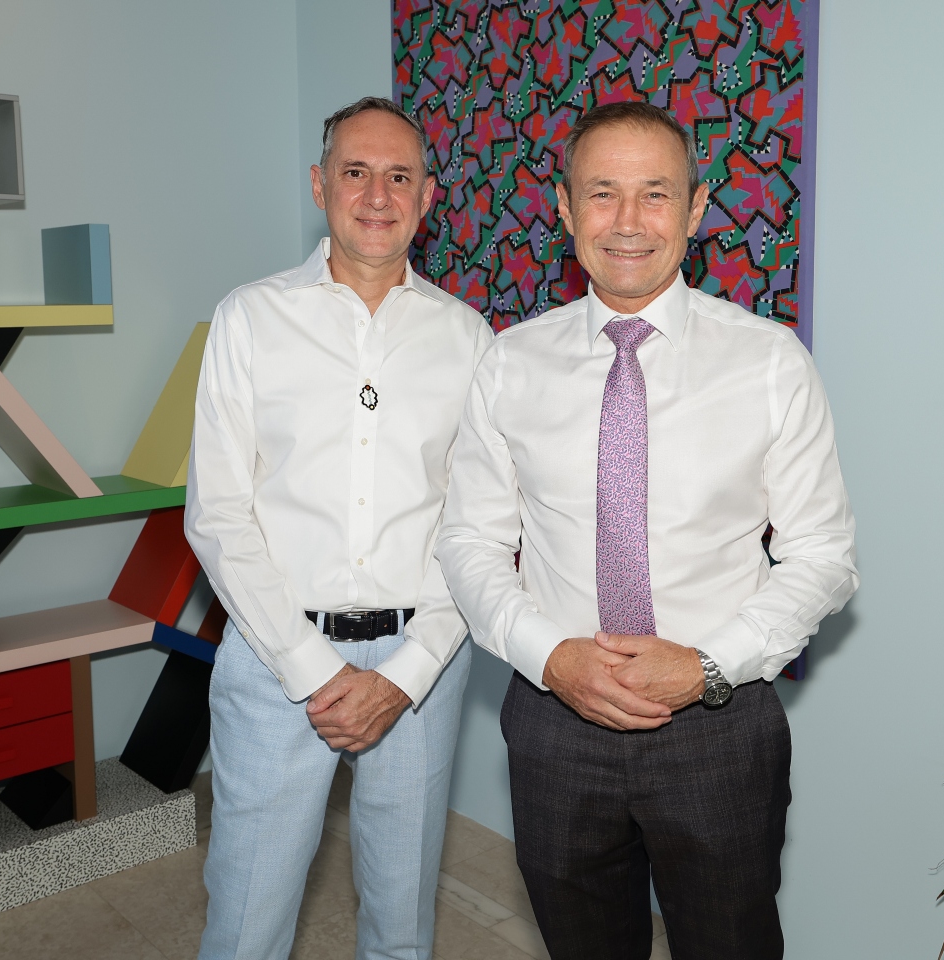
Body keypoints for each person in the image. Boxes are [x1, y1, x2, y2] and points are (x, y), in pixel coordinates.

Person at [435, 100, 858, 959]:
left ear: (695, 210)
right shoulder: (511, 363)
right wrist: (552, 657)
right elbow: (469, 542)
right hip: (554, 721)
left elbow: (823, 557)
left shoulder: (770, 364)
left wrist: (706, 665)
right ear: (565, 209)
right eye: (602, 193)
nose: (627, 221)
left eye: (655, 193)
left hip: (719, 725)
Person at [186, 96, 492, 960]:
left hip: (422, 664)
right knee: (246, 923)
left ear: (427, 196)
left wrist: (406, 674)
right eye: (356, 171)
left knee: (402, 924)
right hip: (275, 655)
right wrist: (313, 669)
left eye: (400, 176)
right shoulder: (250, 317)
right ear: (320, 185)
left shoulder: (468, 338)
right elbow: (218, 515)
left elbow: (475, 525)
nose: (377, 195)